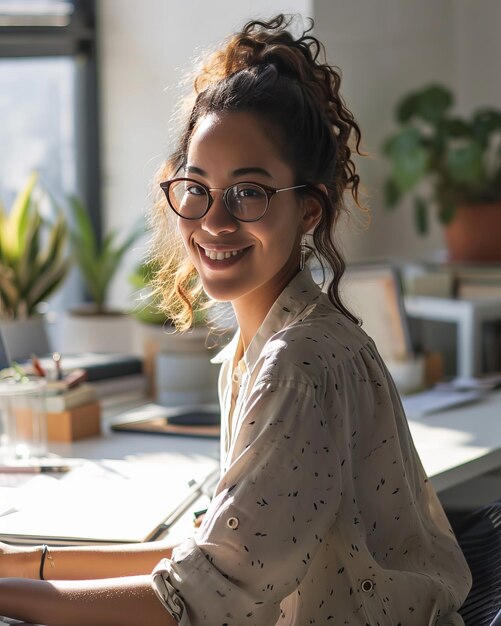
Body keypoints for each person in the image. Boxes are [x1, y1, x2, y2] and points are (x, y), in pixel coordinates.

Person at [0, 14, 471, 626]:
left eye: (249, 192)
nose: (214, 221)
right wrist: (14, 562)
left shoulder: (297, 362)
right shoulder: (268, 342)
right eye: (196, 188)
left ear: (308, 209)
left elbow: (202, 598)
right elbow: (202, 562)